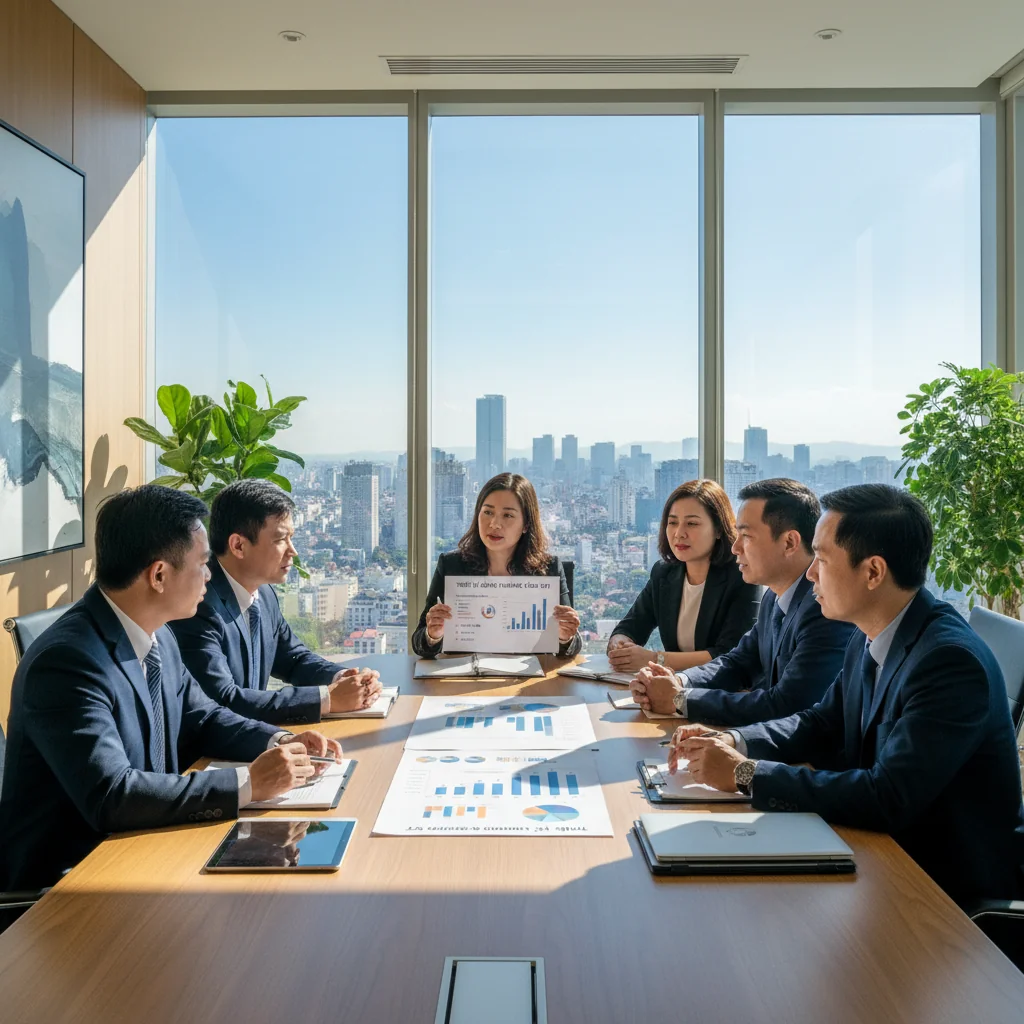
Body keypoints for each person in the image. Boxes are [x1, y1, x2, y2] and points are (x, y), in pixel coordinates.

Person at [668, 484, 1024, 906]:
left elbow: (886, 797)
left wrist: (747, 774)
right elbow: (819, 720)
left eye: (821, 558)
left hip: (940, 895)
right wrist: (734, 741)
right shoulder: (870, 632)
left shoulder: (947, 662)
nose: (811, 573)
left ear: (873, 572)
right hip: (877, 857)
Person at [0, 485, 342, 892]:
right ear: (159, 574)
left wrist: (279, 741)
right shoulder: (67, 663)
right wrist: (248, 784)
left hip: (148, 847)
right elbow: (114, 794)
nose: (211, 575)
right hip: (69, 888)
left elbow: (205, 716)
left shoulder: (156, 634)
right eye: (202, 563)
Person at [629, 479, 854, 725]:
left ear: (789, 542)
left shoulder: (824, 609)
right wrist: (678, 682)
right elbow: (737, 662)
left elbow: (786, 705)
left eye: (745, 536)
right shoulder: (775, 598)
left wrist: (680, 700)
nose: (735, 547)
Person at [170, 480, 382, 725]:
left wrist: (342, 677)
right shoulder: (199, 605)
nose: (293, 551)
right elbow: (224, 700)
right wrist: (327, 699)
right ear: (238, 545)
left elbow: (293, 658)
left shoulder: (265, 593)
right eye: (281, 539)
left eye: (291, 538)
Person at [412, 473, 581, 657]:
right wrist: (433, 634)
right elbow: (419, 644)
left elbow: (573, 646)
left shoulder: (549, 568)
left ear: (526, 524)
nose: (494, 524)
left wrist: (565, 637)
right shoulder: (452, 565)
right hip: (465, 679)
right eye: (488, 512)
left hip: (527, 681)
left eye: (507, 515)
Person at [605, 480, 759, 675]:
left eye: (692, 523)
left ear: (719, 529)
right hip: (672, 688)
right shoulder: (664, 573)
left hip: (724, 693)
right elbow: (631, 626)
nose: (679, 533)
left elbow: (730, 654)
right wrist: (620, 644)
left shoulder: (742, 576)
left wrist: (656, 659)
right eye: (673, 522)